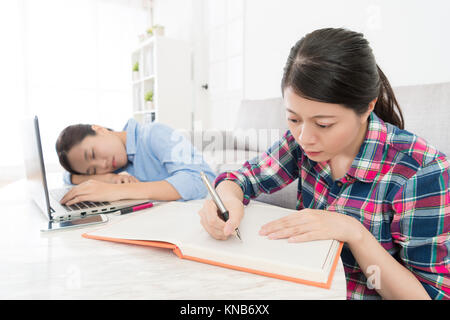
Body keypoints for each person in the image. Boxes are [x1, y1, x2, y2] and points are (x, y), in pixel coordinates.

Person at [198, 28, 449, 300]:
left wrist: (354, 233)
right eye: (293, 119)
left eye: (324, 124)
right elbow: (242, 178)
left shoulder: (421, 172)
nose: (305, 137)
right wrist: (226, 199)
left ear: (367, 107)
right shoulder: (302, 143)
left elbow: (429, 295)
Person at [56, 118, 216, 206]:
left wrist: (118, 190)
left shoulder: (154, 133)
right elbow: (67, 177)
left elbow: (199, 180)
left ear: (100, 129)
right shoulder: (117, 164)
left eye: (92, 154)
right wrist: (108, 179)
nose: (102, 165)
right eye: (92, 171)